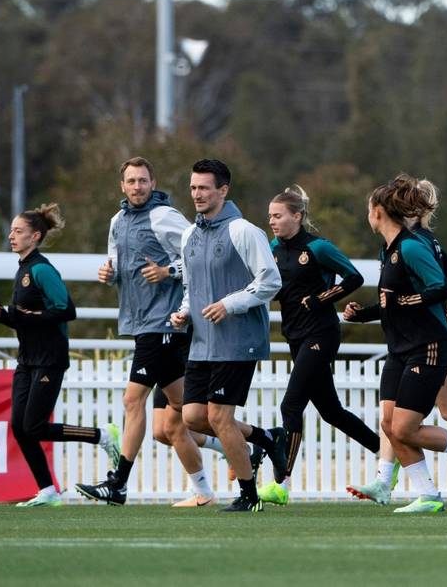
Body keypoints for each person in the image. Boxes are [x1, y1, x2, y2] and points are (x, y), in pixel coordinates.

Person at [345, 175, 447, 513]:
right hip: (399, 348)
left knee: (404, 428)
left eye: (369, 210)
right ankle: (428, 494)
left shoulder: (411, 246)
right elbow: (391, 303)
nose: (368, 216)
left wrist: (407, 301)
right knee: (389, 425)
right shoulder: (387, 250)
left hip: (427, 345)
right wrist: (362, 315)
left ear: (378, 211)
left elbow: (441, 287)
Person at [77, 157, 213, 507]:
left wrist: (169, 271)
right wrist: (110, 275)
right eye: (131, 181)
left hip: (164, 323)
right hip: (141, 324)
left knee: (132, 400)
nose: (137, 186)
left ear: (153, 183)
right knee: (181, 413)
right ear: (122, 186)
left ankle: (118, 484)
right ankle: (248, 444)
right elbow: (119, 266)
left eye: (142, 180)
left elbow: (200, 254)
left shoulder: (164, 216)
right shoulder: (117, 221)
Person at [170, 159, 285, 513]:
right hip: (202, 342)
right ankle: (266, 437)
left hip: (238, 340)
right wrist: (184, 312)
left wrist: (230, 304)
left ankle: (249, 496)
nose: (197, 194)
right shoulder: (188, 235)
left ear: (223, 190)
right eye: (193, 187)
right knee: (192, 417)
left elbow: (271, 281)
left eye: (204, 188)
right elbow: (191, 287)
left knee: (220, 418)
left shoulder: (244, 231)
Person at [258, 185, 384, 506]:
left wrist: (321, 298)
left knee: (291, 406)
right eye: (270, 216)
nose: (271, 221)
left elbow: (353, 278)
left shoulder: (318, 248)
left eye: (278, 216)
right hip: (295, 334)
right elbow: (274, 285)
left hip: (321, 333)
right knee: (331, 412)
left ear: (297, 216)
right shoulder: (273, 248)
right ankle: (386, 452)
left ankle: (282, 484)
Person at [0, 203, 120, 507]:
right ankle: (47, 490)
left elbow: (66, 310)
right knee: (19, 427)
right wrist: (7, 317)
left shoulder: (42, 269)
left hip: (50, 357)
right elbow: (29, 317)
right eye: (12, 231)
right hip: (28, 358)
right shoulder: (23, 268)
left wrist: (23, 316)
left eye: (18, 231)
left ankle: (102, 435)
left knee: (34, 426)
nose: (11, 236)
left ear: (35, 236)